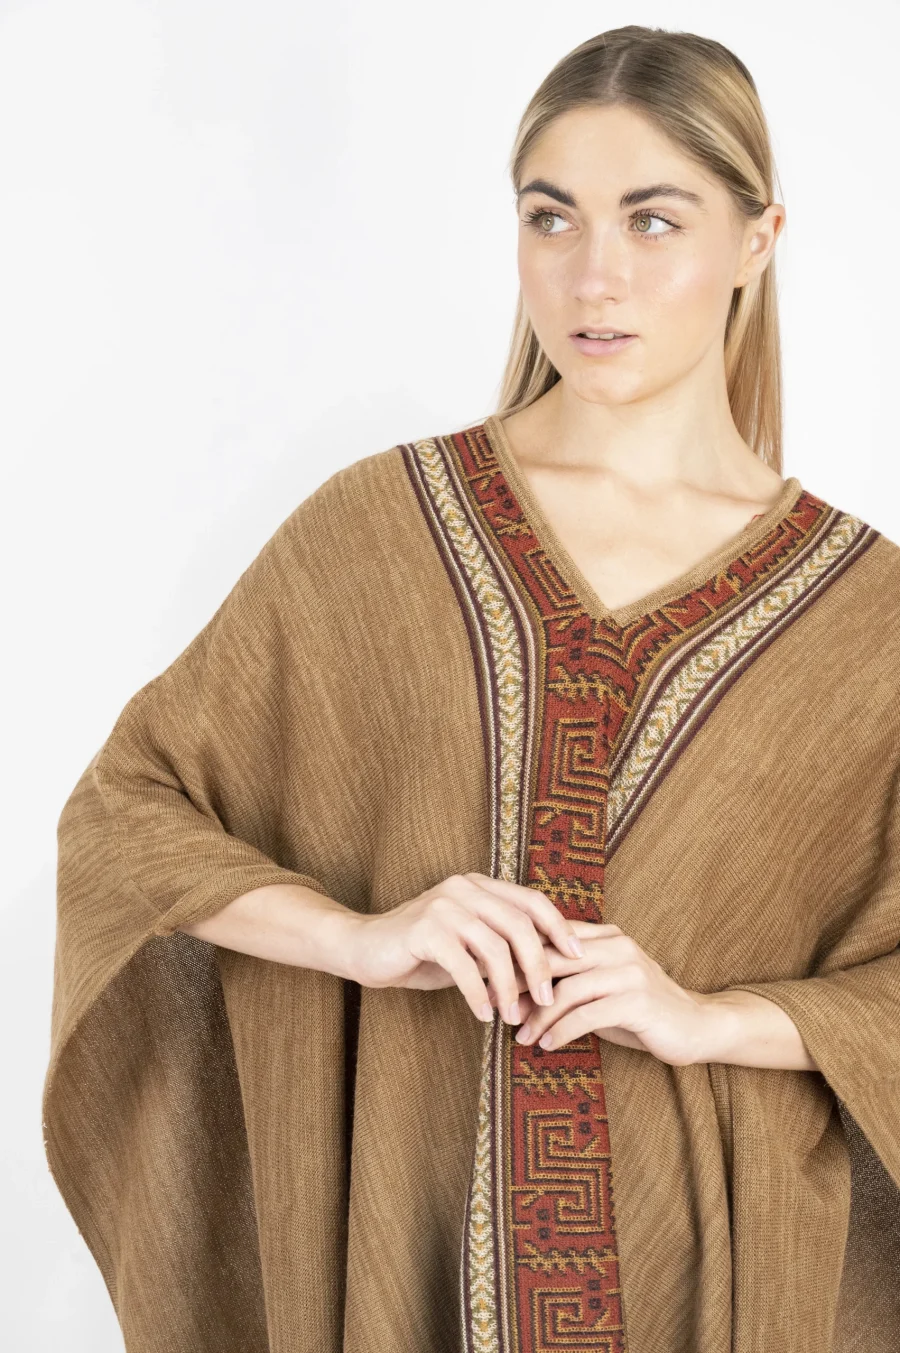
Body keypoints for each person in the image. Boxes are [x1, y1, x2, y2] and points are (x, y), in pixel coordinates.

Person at [42, 23, 900, 1353]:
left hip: (723, 1288)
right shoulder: (376, 532)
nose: (594, 274)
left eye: (653, 220)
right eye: (552, 217)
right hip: (407, 1253)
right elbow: (123, 819)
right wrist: (360, 936)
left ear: (758, 240)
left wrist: (715, 1019)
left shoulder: (867, 619)